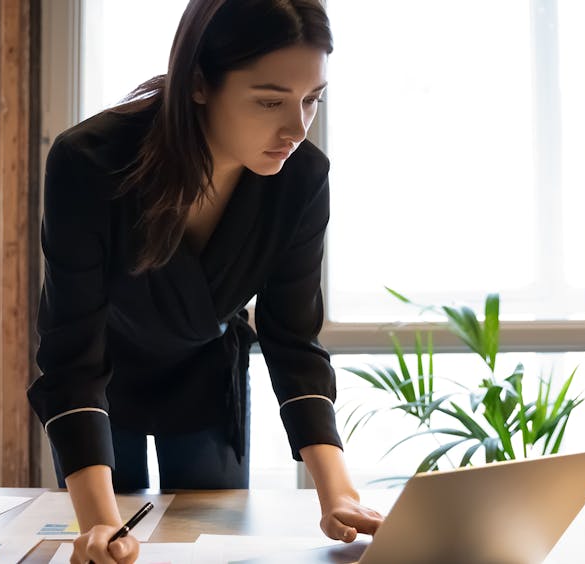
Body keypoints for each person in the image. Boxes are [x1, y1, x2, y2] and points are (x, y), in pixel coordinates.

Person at [28, 1, 383, 562]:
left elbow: (293, 341)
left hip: (205, 371)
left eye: (311, 101)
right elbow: (71, 354)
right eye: (269, 101)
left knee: (212, 546)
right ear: (198, 83)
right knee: (108, 543)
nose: (296, 128)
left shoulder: (303, 178)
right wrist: (99, 526)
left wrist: (338, 494)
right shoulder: (88, 162)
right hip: (100, 376)